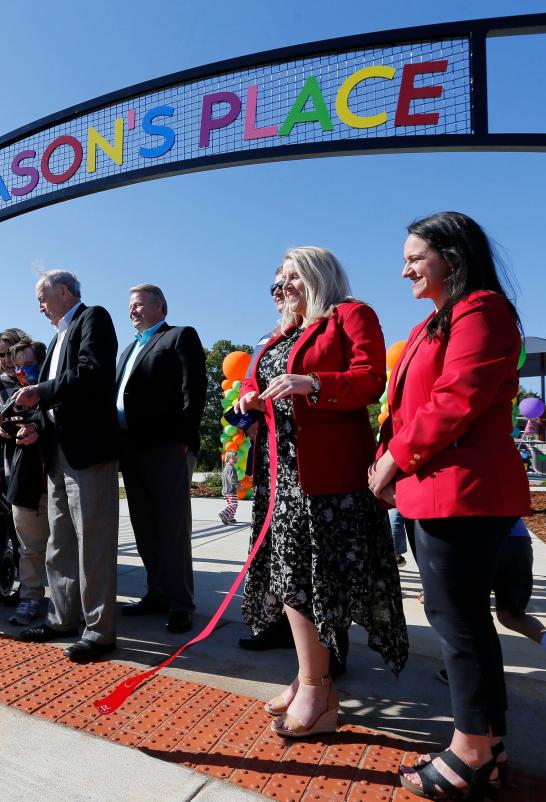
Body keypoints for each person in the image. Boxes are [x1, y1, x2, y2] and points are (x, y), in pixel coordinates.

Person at [368, 212, 531, 799]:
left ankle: (469, 750)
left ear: (453, 258)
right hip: (431, 488)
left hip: (461, 492)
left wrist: (395, 460)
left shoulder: (480, 309)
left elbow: (456, 399)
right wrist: (387, 457)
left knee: (458, 623)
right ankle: (488, 743)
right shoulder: (433, 322)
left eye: (416, 256)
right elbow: (405, 408)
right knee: (464, 622)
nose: (405, 267)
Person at [235, 246, 408, 739]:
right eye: (281, 279)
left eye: (293, 276)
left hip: (329, 481)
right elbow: (258, 381)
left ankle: (318, 687)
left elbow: (371, 380)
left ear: (318, 275)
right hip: (280, 479)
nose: (284, 286)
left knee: (319, 583)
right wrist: (251, 398)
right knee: (293, 582)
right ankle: (308, 677)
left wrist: (311, 382)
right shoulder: (282, 333)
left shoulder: (351, 315)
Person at [13, 270, 120, 663]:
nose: (39, 307)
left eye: (42, 298)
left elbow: (91, 374)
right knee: (60, 543)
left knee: (93, 541)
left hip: (88, 452)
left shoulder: (94, 318)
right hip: (58, 453)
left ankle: (100, 631)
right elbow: (55, 400)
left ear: (63, 291)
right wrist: (35, 426)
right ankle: (62, 620)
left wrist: (40, 391)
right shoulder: (57, 338)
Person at [116, 283, 206, 634]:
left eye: (138, 304)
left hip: (167, 448)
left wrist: (183, 439)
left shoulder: (179, 336)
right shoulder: (128, 350)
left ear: (159, 306)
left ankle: (181, 603)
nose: (132, 311)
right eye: (130, 305)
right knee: (145, 527)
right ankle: (156, 593)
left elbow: (193, 389)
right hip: (130, 449)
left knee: (172, 527)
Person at [436, 518, 546, 709]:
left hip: (477, 540)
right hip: (519, 541)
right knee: (511, 615)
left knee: (470, 614)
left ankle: (472, 672)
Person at [237, 265, 295, 652]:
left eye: (285, 283)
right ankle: (276, 624)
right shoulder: (267, 338)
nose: (278, 290)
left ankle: (327, 646)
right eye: (272, 285)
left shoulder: (321, 326)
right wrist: (247, 404)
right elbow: (248, 382)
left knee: (306, 555)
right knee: (272, 544)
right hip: (268, 458)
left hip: (304, 458)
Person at [4, 339, 50, 627]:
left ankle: (67, 603)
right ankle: (30, 598)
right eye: (17, 367)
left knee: (64, 550)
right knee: (29, 549)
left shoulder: (55, 392)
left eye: (28, 365)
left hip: (57, 482)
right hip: (27, 484)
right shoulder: (17, 394)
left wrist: (37, 425)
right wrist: (19, 423)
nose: (23, 372)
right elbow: (5, 419)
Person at [220, 450, 240, 524]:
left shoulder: (225, 468)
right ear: (228, 459)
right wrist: (237, 485)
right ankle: (224, 514)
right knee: (234, 504)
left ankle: (230, 518)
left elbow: (223, 478)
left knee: (232, 505)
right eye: (233, 458)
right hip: (231, 490)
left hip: (226, 490)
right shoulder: (231, 468)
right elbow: (232, 478)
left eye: (236, 458)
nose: (235, 460)